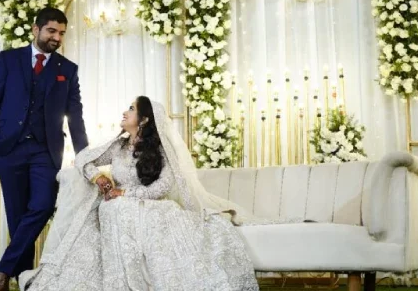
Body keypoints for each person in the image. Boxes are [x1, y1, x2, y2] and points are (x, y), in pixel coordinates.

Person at [19, 96, 279, 291]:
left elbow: (163, 186)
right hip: (118, 209)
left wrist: (125, 193)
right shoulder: (118, 147)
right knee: (111, 208)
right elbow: (85, 159)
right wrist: (98, 177)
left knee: (118, 207)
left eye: (131, 109)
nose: (125, 111)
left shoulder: (160, 150)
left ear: (143, 120)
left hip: (151, 207)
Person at [0, 7, 89, 291]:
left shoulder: (67, 69)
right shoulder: (9, 60)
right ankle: (23, 280)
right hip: (9, 149)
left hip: (45, 150)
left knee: (42, 206)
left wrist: (85, 157)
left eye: (62, 33)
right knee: (18, 217)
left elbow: (75, 116)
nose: (57, 37)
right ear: (36, 29)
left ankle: (2, 269)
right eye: (52, 31)